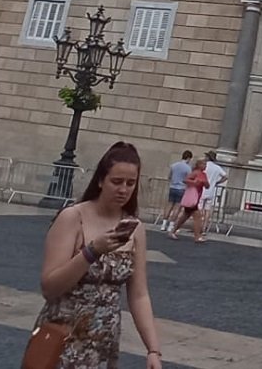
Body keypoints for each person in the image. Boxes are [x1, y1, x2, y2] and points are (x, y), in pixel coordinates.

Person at [36, 141, 166, 368]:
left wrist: (153, 349)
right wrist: (92, 251)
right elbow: (50, 287)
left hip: (103, 340)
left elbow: (139, 294)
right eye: (116, 182)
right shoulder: (73, 218)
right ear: (100, 180)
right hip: (63, 335)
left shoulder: (134, 228)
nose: (123, 189)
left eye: (130, 183)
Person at [166, 161, 207, 241]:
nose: (205, 166)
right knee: (197, 216)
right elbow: (185, 180)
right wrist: (194, 182)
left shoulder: (204, 174)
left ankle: (173, 231)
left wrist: (204, 183)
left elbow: (207, 185)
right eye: (203, 164)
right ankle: (197, 236)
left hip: (196, 197)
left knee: (185, 216)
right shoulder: (195, 173)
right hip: (192, 197)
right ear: (199, 165)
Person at [197, 150, 228, 239]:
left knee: (200, 209)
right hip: (211, 190)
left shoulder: (205, 166)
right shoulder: (217, 167)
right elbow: (225, 176)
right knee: (207, 210)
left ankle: (198, 226)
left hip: (202, 189)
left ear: (208, 157)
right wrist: (217, 182)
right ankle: (204, 228)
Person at [160, 150, 193, 232]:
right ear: (188, 158)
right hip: (181, 188)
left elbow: (169, 176)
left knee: (169, 206)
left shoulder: (174, 165)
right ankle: (171, 225)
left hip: (173, 187)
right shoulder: (188, 168)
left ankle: (163, 224)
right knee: (177, 208)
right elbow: (189, 179)